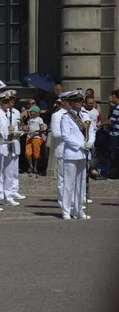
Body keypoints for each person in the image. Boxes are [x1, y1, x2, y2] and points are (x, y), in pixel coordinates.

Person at [60, 90, 95, 220]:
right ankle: (66, 211)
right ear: (71, 103)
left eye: (81, 101)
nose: (79, 103)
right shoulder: (66, 117)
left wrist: (90, 141)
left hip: (84, 153)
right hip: (72, 153)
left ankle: (79, 210)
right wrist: (80, 145)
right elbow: (66, 136)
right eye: (76, 101)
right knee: (69, 183)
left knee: (81, 183)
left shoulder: (85, 115)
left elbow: (91, 130)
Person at [51, 92, 70, 206]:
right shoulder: (57, 115)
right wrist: (70, 135)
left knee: (72, 177)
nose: (70, 104)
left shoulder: (73, 114)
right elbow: (56, 133)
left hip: (74, 150)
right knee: (62, 178)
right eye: (68, 101)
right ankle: (63, 200)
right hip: (62, 149)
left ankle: (72, 200)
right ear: (62, 102)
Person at [99, 89, 119, 179]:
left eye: (113, 96)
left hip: (114, 134)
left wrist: (101, 124)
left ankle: (104, 174)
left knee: (110, 154)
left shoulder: (117, 108)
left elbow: (111, 121)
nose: (112, 98)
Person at [24, 106, 45, 176]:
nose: (30, 113)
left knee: (36, 153)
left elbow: (42, 129)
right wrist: (24, 128)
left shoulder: (39, 119)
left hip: (36, 137)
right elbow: (27, 127)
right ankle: (30, 166)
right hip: (29, 137)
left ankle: (35, 166)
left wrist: (37, 132)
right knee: (28, 152)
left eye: (31, 111)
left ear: (35, 112)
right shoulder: (29, 120)